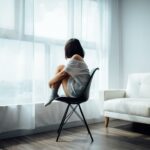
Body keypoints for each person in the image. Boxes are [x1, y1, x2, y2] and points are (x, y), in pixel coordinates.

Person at [44, 38, 90, 107]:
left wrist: (50, 82)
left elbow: (63, 74)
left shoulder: (76, 57)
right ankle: (53, 94)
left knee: (60, 68)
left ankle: (53, 94)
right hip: (80, 92)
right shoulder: (79, 59)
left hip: (76, 93)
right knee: (62, 68)